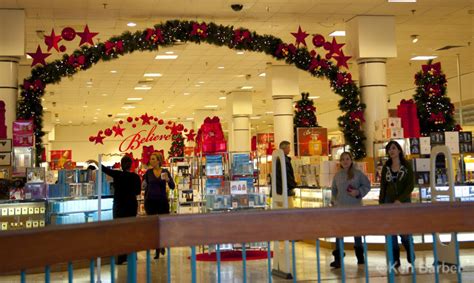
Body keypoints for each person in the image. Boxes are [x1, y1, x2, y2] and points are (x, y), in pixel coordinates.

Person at [329, 152, 371, 268]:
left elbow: (367, 185)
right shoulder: (337, 175)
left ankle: (360, 257)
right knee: (339, 234)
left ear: (351, 160)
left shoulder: (358, 174)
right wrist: (334, 200)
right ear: (340, 162)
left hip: (355, 209)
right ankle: (338, 258)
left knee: (357, 234)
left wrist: (358, 192)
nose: (345, 161)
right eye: (342, 159)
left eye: (347, 159)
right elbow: (333, 190)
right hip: (340, 209)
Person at [379, 140, 415, 268]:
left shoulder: (407, 166)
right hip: (388, 203)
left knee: (404, 232)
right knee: (391, 233)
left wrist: (400, 199)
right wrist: (381, 204)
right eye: (389, 149)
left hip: (403, 204)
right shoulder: (386, 167)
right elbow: (383, 186)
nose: (391, 151)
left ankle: (410, 251)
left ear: (399, 150)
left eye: (393, 148)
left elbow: (410, 185)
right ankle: (395, 259)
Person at [101, 155, 141, 265]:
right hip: (131, 205)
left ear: (121, 164)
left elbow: (104, 169)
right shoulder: (136, 177)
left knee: (120, 231)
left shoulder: (117, 175)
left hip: (119, 205)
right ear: (131, 164)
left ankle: (121, 257)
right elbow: (137, 192)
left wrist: (95, 162)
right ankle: (131, 255)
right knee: (130, 231)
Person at [143, 152, 175, 259]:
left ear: (158, 161)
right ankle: (157, 250)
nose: (151, 161)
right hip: (150, 202)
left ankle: (162, 245)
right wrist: (143, 184)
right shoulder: (148, 173)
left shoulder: (165, 171)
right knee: (153, 227)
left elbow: (172, 186)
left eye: (153, 159)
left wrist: (168, 180)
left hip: (162, 202)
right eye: (150, 159)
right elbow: (144, 186)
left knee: (163, 226)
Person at [275, 141, 297, 207]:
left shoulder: (277, 159)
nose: (290, 150)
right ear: (284, 149)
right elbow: (287, 175)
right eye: (288, 148)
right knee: (289, 211)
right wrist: (293, 184)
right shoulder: (284, 160)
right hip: (285, 191)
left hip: (279, 191)